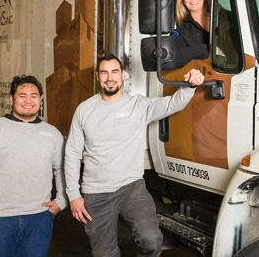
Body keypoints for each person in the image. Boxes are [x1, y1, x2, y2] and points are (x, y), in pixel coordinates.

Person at [64, 54, 204, 257]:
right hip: (96, 192)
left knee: (150, 239)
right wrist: (74, 195)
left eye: (114, 72)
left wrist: (190, 85)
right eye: (104, 72)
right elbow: (72, 153)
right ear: (97, 77)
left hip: (131, 188)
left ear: (123, 75)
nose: (109, 77)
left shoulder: (139, 105)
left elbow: (173, 104)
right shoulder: (84, 110)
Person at [0, 75, 65, 257]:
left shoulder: (52, 134)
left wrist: (61, 201)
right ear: (12, 99)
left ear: (40, 100)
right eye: (22, 95)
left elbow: (62, 170)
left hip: (39, 218)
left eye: (33, 96)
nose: (28, 101)